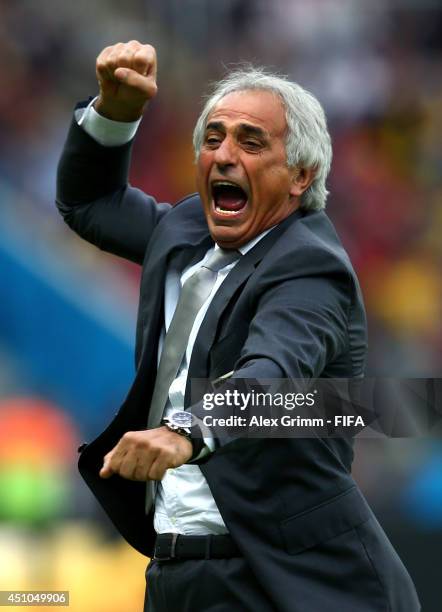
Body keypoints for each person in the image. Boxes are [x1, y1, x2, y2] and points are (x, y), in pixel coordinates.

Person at [56, 41, 420, 612]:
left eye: (251, 142)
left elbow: (272, 377)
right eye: (213, 138)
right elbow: (90, 202)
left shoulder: (308, 266)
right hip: (177, 572)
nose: (225, 154)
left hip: (283, 584)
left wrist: (186, 430)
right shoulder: (186, 230)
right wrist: (116, 111)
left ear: (300, 175)